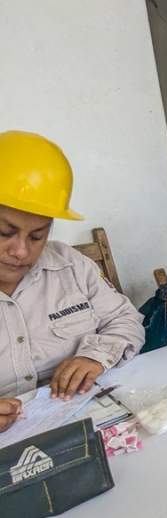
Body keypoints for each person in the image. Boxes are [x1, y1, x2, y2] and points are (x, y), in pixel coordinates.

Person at [0, 130, 145, 432]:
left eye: (37, 236)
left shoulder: (70, 265)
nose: (20, 251)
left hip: (84, 420)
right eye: (4, 232)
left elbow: (125, 319)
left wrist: (95, 355)